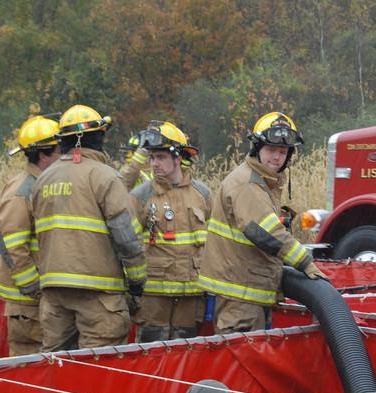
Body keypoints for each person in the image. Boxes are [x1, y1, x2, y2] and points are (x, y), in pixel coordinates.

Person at [197, 112, 327, 334]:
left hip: (248, 290)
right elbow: (266, 232)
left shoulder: (263, 182)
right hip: (240, 295)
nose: (276, 157)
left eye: (282, 152)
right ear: (257, 148)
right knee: (241, 361)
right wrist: (305, 263)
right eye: (271, 150)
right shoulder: (247, 183)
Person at [32, 104, 146, 351]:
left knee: (55, 366)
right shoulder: (105, 177)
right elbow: (127, 237)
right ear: (97, 138)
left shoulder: (44, 179)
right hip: (98, 294)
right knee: (99, 367)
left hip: (54, 294)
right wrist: (137, 281)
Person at [130, 121, 210, 341]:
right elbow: (128, 244)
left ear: (178, 159)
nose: (154, 164)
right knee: (151, 353)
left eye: (161, 157)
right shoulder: (141, 196)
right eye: (152, 158)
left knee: (186, 352)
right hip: (155, 298)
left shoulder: (202, 194)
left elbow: (216, 243)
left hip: (191, 295)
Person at [0, 114, 61, 355]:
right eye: (59, 152)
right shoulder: (23, 191)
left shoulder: (41, 184)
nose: (64, 158)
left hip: (37, 302)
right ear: (43, 155)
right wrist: (34, 288)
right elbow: (10, 243)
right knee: (28, 369)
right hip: (28, 306)